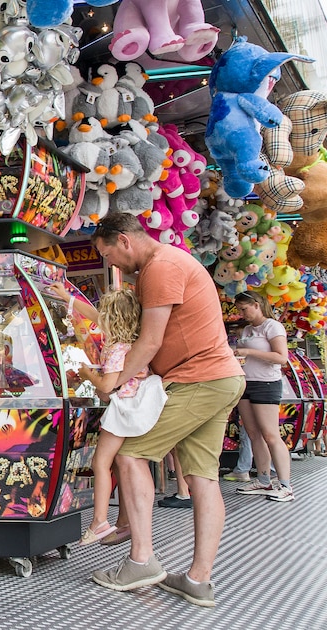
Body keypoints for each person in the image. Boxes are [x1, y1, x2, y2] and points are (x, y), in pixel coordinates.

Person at [88, 212, 244, 608]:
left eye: (110, 256)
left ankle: (141, 560)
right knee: (203, 477)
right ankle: (197, 581)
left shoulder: (161, 267)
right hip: (220, 378)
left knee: (130, 454)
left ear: (124, 240)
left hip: (197, 379)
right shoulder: (173, 262)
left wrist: (114, 382)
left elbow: (150, 342)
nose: (113, 266)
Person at [61, 289, 165, 545]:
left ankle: (99, 521)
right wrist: (69, 299)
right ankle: (123, 521)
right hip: (134, 407)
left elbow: (107, 387)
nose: (99, 319)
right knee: (120, 463)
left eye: (104, 315)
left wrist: (86, 373)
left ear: (113, 319)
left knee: (100, 462)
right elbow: (95, 315)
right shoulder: (131, 339)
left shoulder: (117, 348)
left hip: (124, 411)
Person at [231, 290, 294, 502]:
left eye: (244, 309)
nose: (242, 313)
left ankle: (285, 485)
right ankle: (264, 478)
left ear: (257, 305)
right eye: (239, 310)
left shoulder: (272, 326)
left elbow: (281, 357)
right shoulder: (248, 329)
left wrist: (249, 352)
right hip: (247, 382)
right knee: (253, 433)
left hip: (267, 384)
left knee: (270, 434)